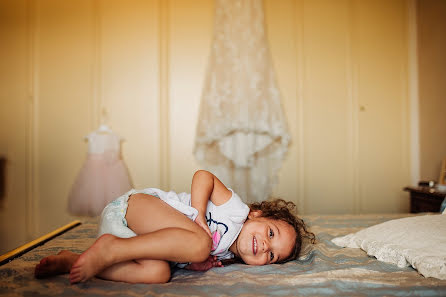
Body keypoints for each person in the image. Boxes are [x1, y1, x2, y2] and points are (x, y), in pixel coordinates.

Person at [35, 170, 315, 284]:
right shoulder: (236, 212)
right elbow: (203, 176)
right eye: (270, 233)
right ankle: (109, 248)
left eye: (272, 256)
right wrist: (199, 217)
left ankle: (74, 261)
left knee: (158, 274)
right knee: (199, 243)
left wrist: (196, 262)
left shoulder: (226, 256)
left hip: (131, 237)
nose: (265, 247)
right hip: (134, 209)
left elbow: (174, 252)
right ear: (257, 214)